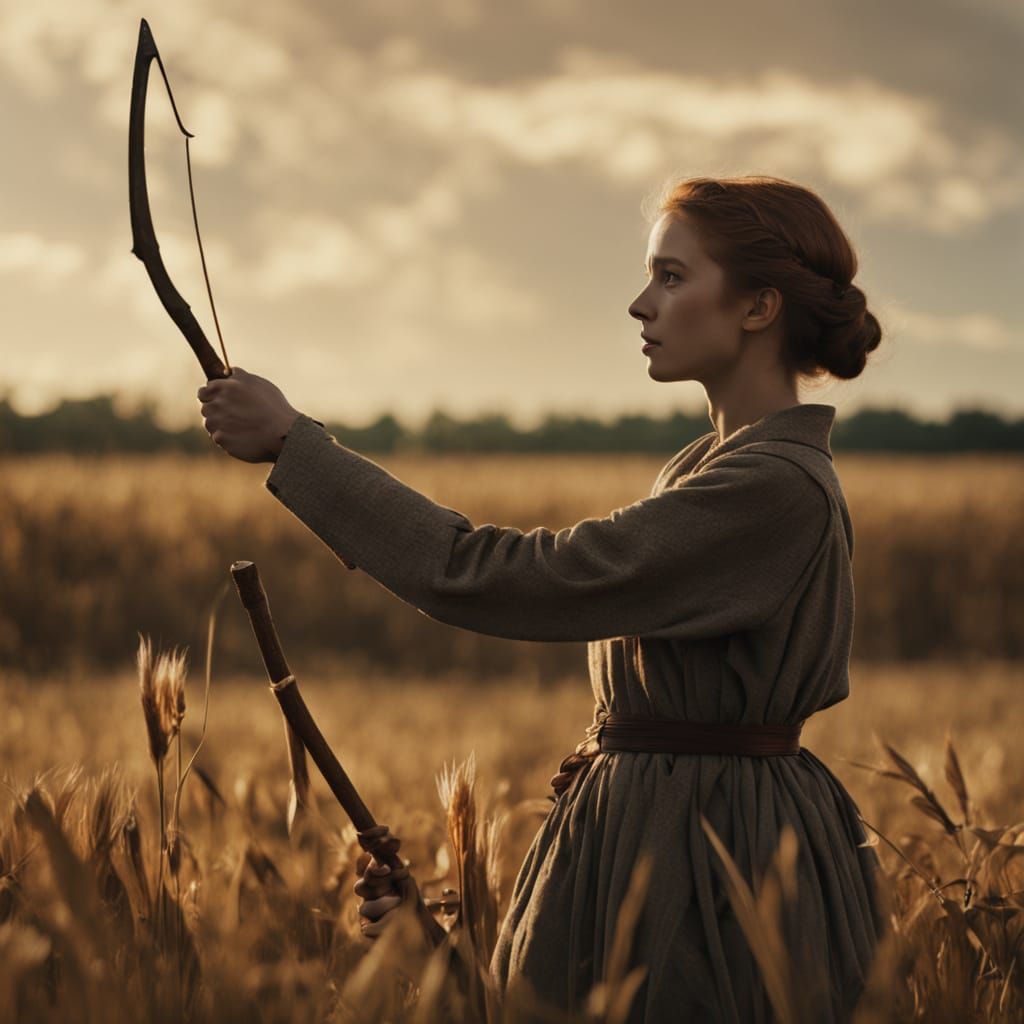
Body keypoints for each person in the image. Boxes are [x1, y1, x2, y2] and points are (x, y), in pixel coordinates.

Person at [198, 175, 886, 1022]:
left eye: (671, 277)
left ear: (757, 308)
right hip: (662, 828)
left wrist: (295, 449)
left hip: (714, 857)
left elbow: (510, 578)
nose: (640, 304)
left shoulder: (771, 490)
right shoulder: (707, 470)